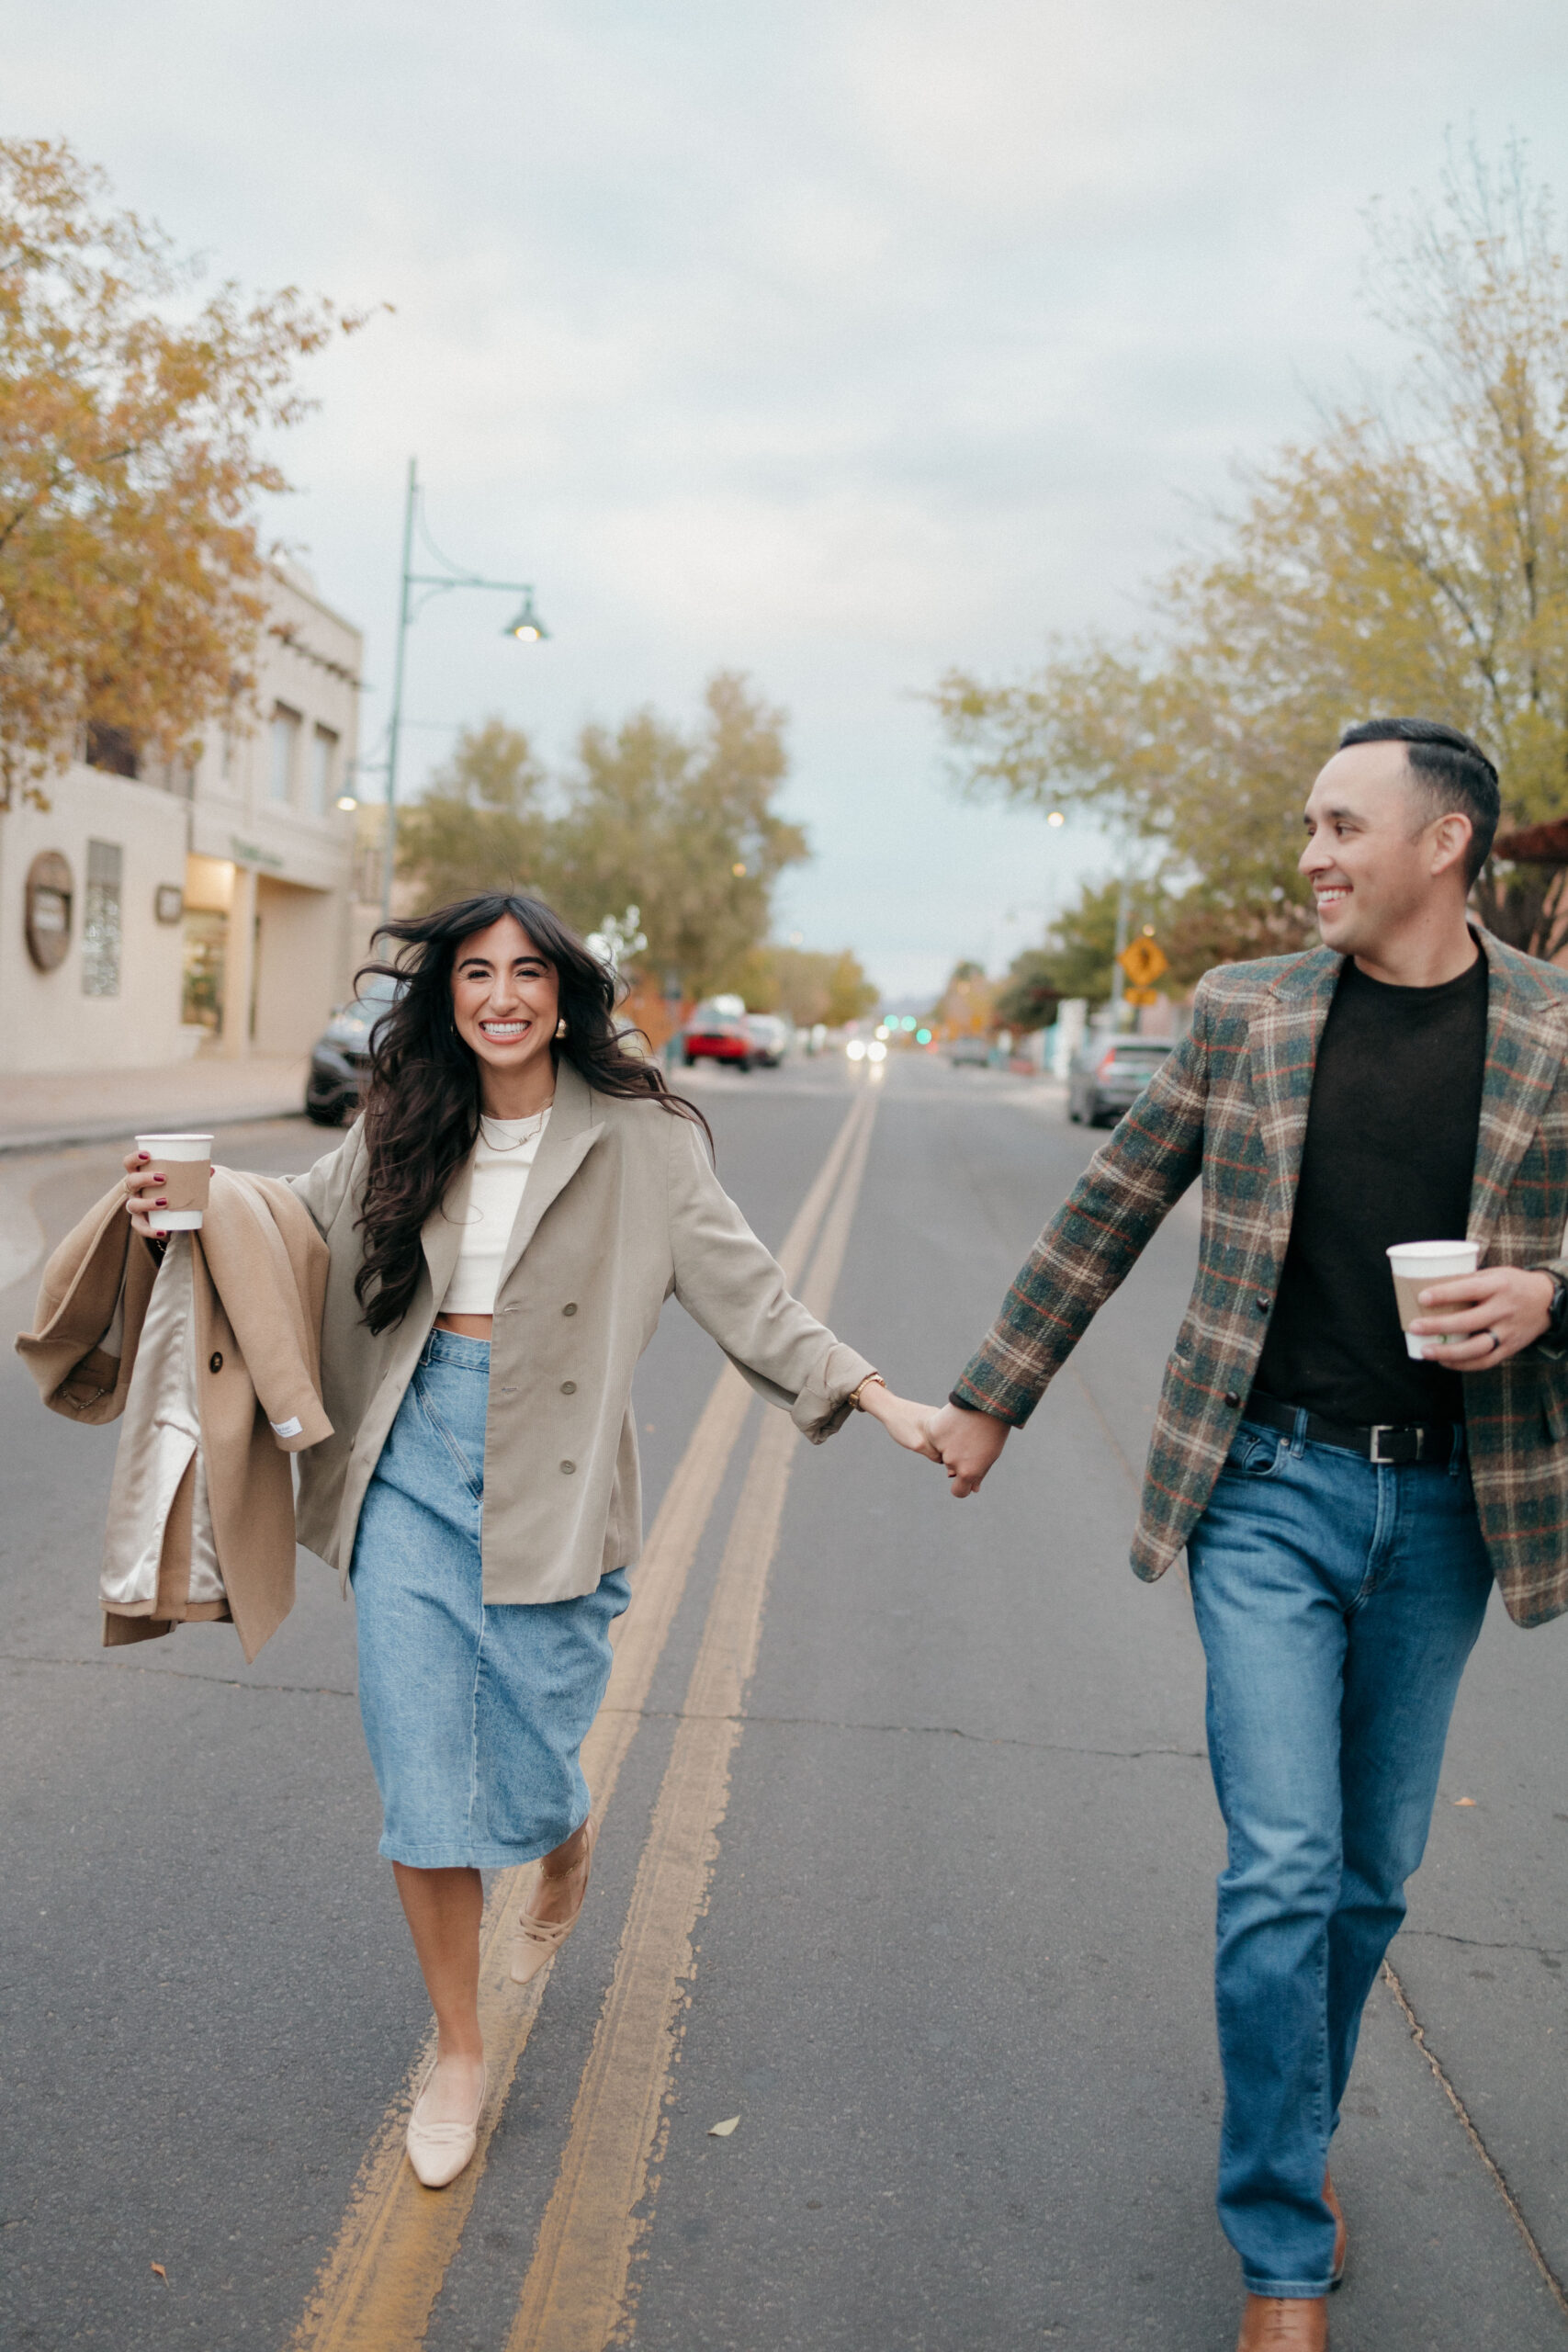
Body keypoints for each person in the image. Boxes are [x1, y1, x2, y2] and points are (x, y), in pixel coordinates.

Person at [126, 892, 938, 2189]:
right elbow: (296, 1221)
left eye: (526, 974)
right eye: (474, 974)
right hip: (409, 1448)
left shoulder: (642, 1140)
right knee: (419, 1768)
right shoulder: (408, 1121)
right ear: (447, 995)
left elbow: (750, 1294)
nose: (500, 995)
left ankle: (561, 1835)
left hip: (553, 1476)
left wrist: (880, 1399)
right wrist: (187, 1204)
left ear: (565, 994)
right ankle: (460, 2046)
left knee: (536, 1749)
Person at [926, 719, 1568, 2351]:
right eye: (1308, 827)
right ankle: (1281, 2248)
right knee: (1283, 1866)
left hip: (1448, 1508)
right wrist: (995, 1396)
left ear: (1447, 843)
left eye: (1344, 826)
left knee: (1368, 1880)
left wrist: (1553, 1293)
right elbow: (1110, 1206)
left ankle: (1299, 2126)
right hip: (1267, 1489)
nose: (1312, 856)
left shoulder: (1559, 1031)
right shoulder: (1249, 1014)